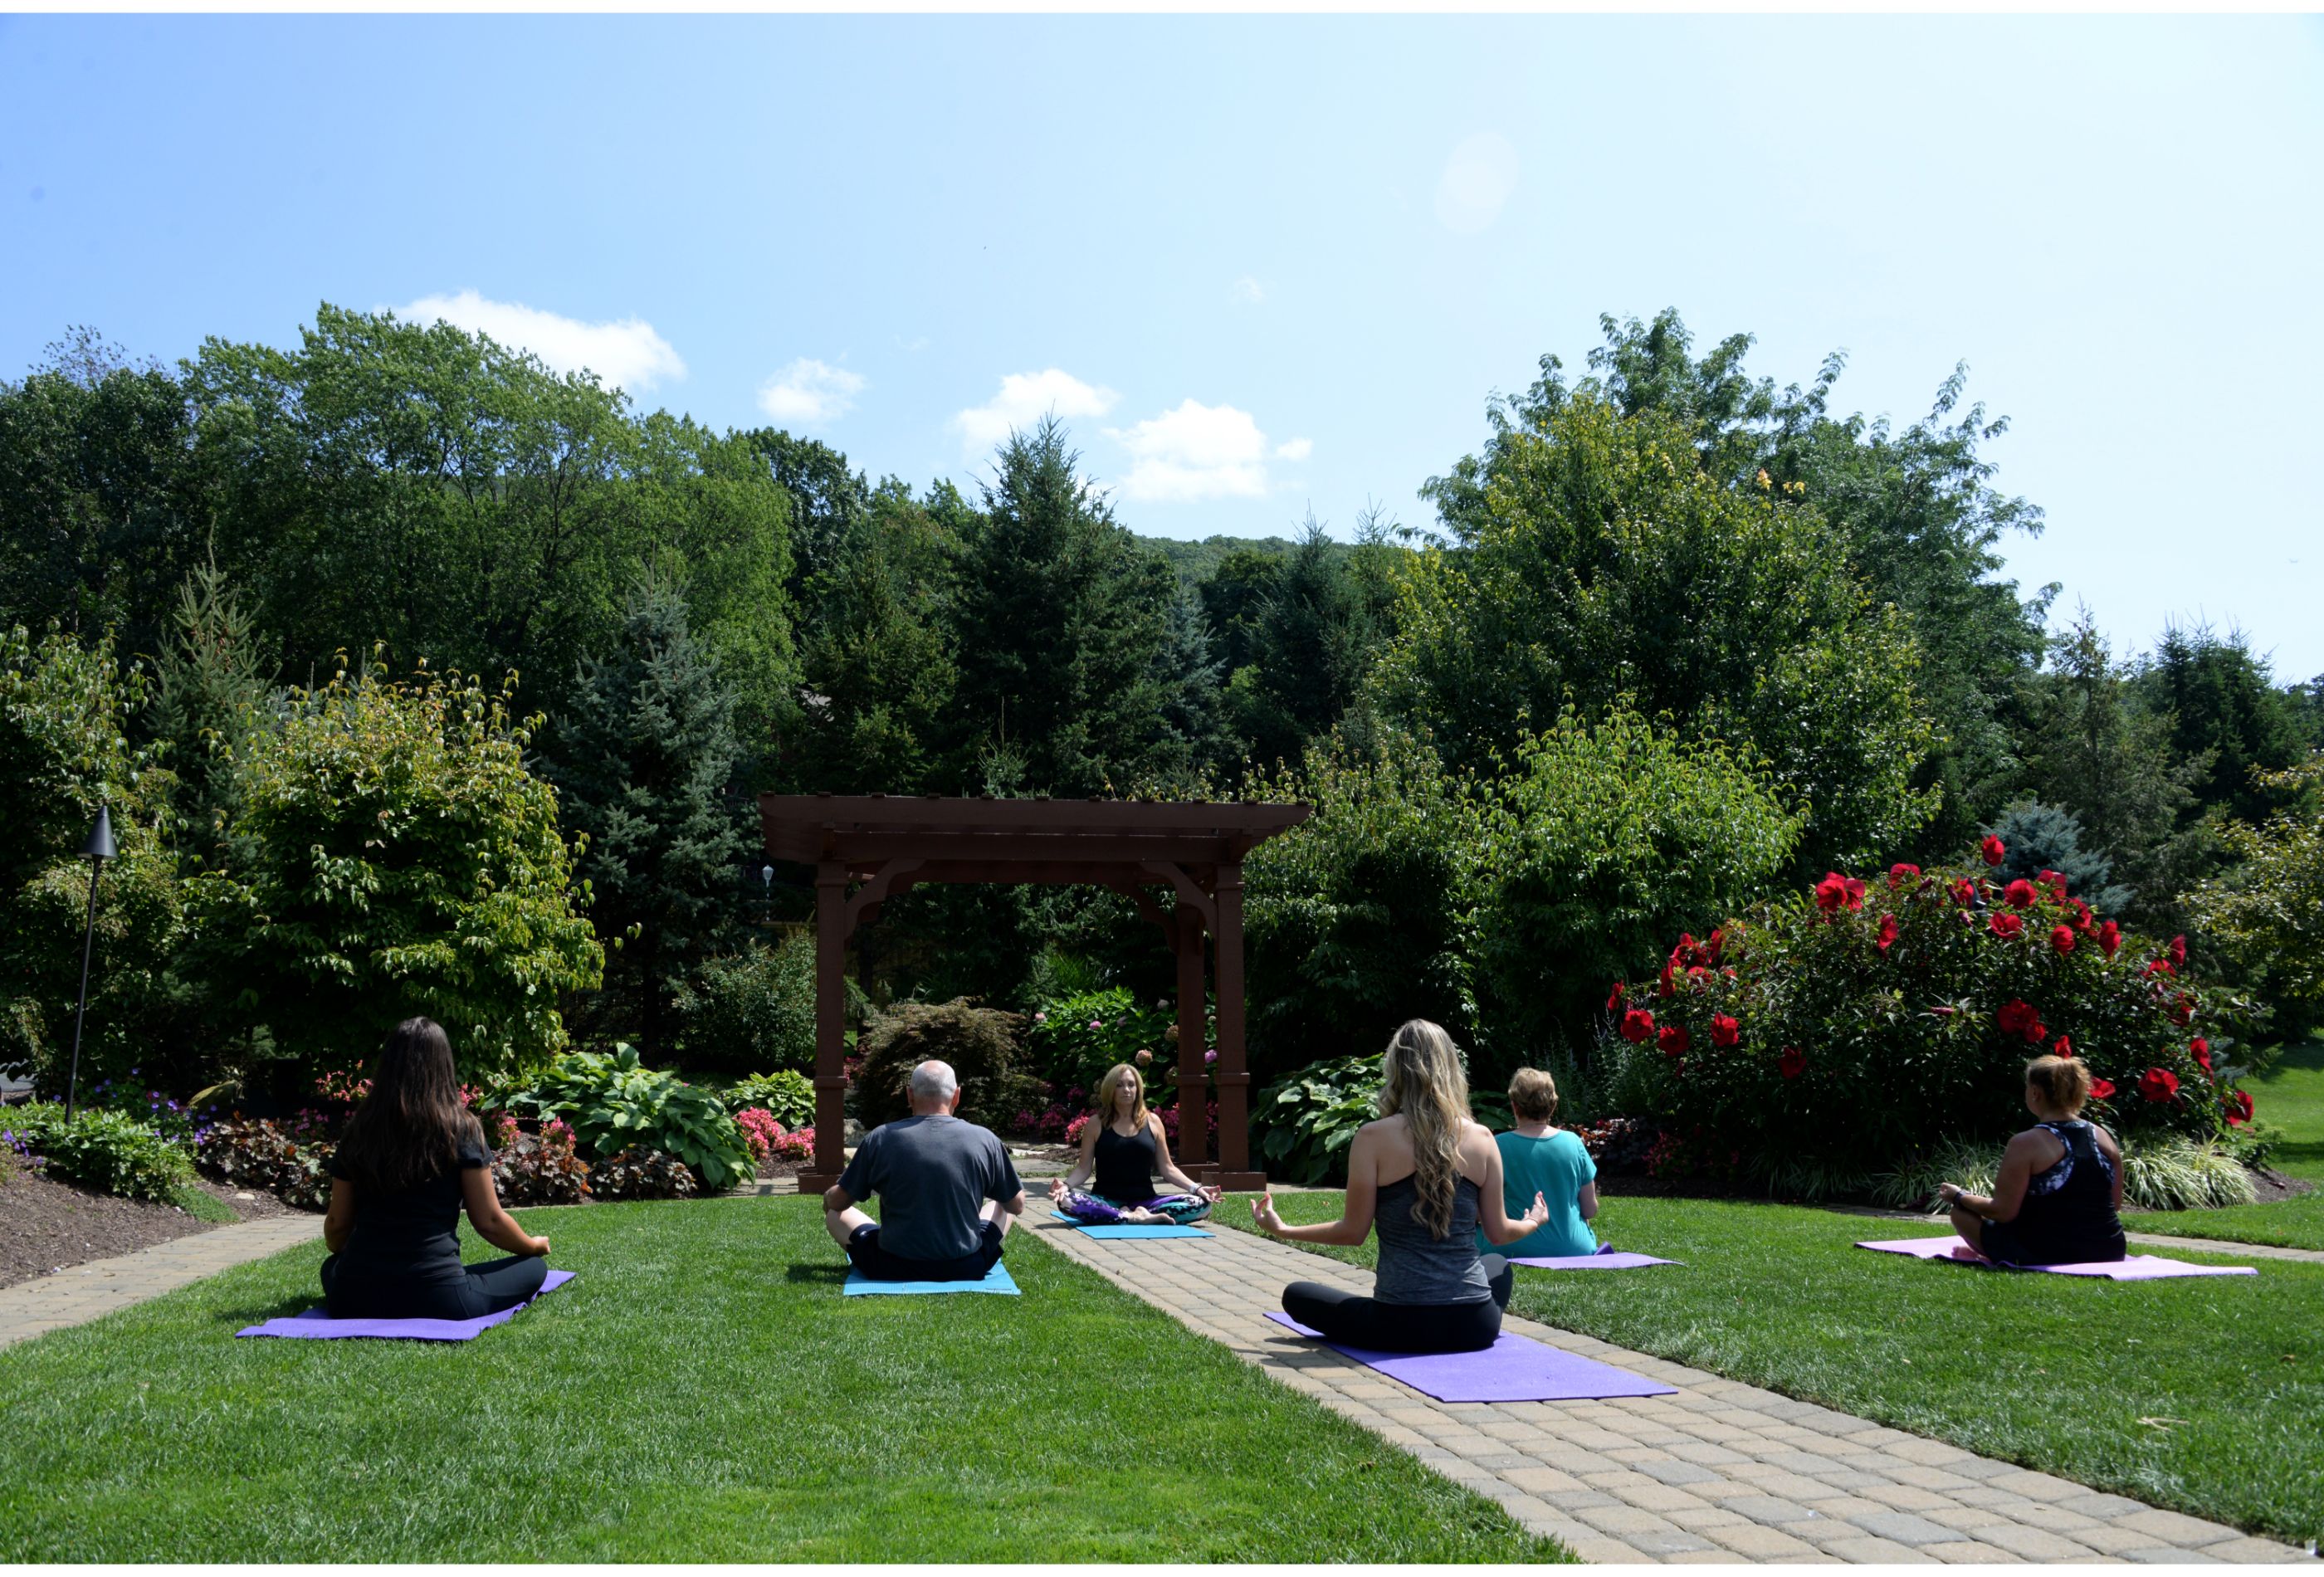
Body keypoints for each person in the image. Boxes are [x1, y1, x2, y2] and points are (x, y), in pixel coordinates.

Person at [1251, 1020, 1550, 1354]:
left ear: (1396, 1071)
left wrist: (1285, 1230)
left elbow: (1353, 1232)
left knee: (1298, 1295)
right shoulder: (1482, 1138)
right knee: (1497, 1266)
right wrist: (1534, 1220)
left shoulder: (1372, 1138)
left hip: (1398, 1325)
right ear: (1451, 1069)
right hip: (1474, 1325)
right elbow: (1499, 1233)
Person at [320, 1017, 551, 1320]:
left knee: (332, 1267)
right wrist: (532, 1245)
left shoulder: (358, 1131)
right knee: (534, 1267)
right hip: (439, 1297)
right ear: (444, 1066)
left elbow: (337, 1225)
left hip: (351, 1298)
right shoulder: (462, 1129)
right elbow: (490, 1221)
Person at [824, 1059, 1026, 1281]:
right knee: (1002, 1203)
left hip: (891, 1265)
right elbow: (1017, 1206)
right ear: (957, 1096)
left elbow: (837, 1203)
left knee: (835, 1214)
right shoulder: (986, 1139)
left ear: (909, 1094)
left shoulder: (880, 1139)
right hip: (967, 1265)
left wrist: (828, 1196)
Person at [1938, 1054, 2126, 1266]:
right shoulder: (2104, 1137)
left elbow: (2003, 1212)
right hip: (2109, 1250)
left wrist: (1959, 1196)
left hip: (2046, 1251)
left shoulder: (2026, 1143)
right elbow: (2115, 1204)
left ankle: (1989, 1252)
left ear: (2035, 1093)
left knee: (1961, 1213)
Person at [1050, 1062, 1223, 1226]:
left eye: (1131, 1085)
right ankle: (1130, 1217)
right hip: (1106, 1200)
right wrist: (1065, 1186)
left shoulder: (1153, 1122)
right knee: (1066, 1200)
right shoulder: (1096, 1123)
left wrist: (1197, 1189)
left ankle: (1126, 1216)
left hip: (1146, 1201)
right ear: (1110, 1089)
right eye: (1119, 1085)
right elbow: (1083, 1169)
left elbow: (1168, 1169)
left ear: (1138, 1089)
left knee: (1202, 1205)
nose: (1126, 1090)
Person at [1479, 1067, 1599, 1261]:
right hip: (1575, 1249)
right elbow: (1590, 1209)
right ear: (1553, 1106)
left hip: (1510, 1246)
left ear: (1515, 1106)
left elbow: (1481, 1212)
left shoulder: (1497, 1145)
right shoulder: (1574, 1142)